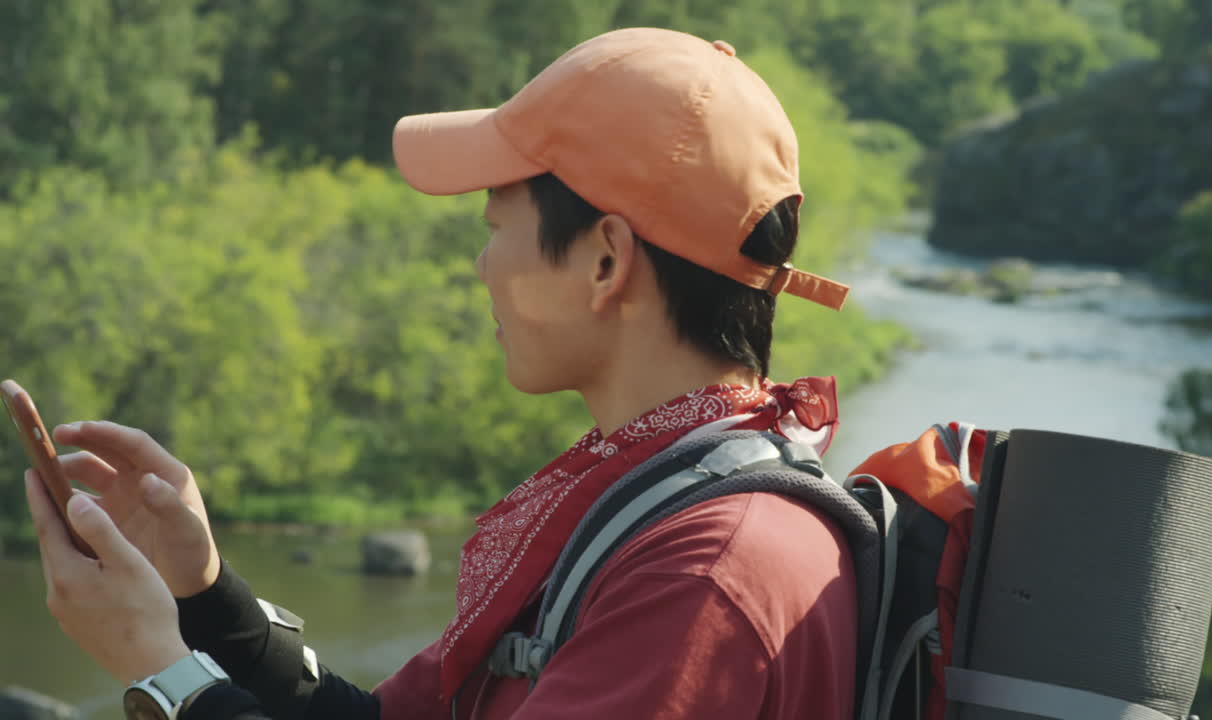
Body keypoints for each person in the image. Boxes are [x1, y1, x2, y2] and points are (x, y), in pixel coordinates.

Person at [24, 27, 859, 720]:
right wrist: (201, 593)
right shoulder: (649, 494)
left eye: (498, 226)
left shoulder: (705, 575)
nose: (480, 265)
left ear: (606, 261)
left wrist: (157, 668)